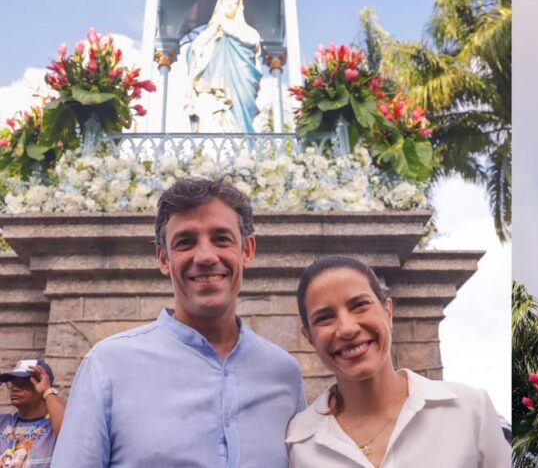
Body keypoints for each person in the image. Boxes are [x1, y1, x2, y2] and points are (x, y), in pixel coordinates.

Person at [51, 177, 306, 467]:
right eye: (185, 242)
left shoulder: (283, 374)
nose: (206, 256)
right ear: (163, 259)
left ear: (247, 251)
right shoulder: (108, 367)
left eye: (222, 238)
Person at [286, 256, 510, 467]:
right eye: (324, 318)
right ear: (310, 338)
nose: (347, 328)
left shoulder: (469, 409)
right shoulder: (298, 443)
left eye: (359, 305)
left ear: (388, 313)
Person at [184, 0, 262, 133]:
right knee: (210, 117)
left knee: (240, 126)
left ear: (239, 6)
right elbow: (195, 48)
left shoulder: (248, 31)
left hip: (240, 87)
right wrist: (215, 29)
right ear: (220, 2)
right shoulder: (213, 30)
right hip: (213, 88)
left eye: (234, 1)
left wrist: (227, 28)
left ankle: (242, 144)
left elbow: (253, 41)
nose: (230, 4)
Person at [1, 360, 65, 467]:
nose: (15, 388)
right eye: (13, 383)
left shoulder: (52, 426)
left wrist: (47, 391)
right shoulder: (3, 421)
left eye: (25, 383)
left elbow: (69, 432)